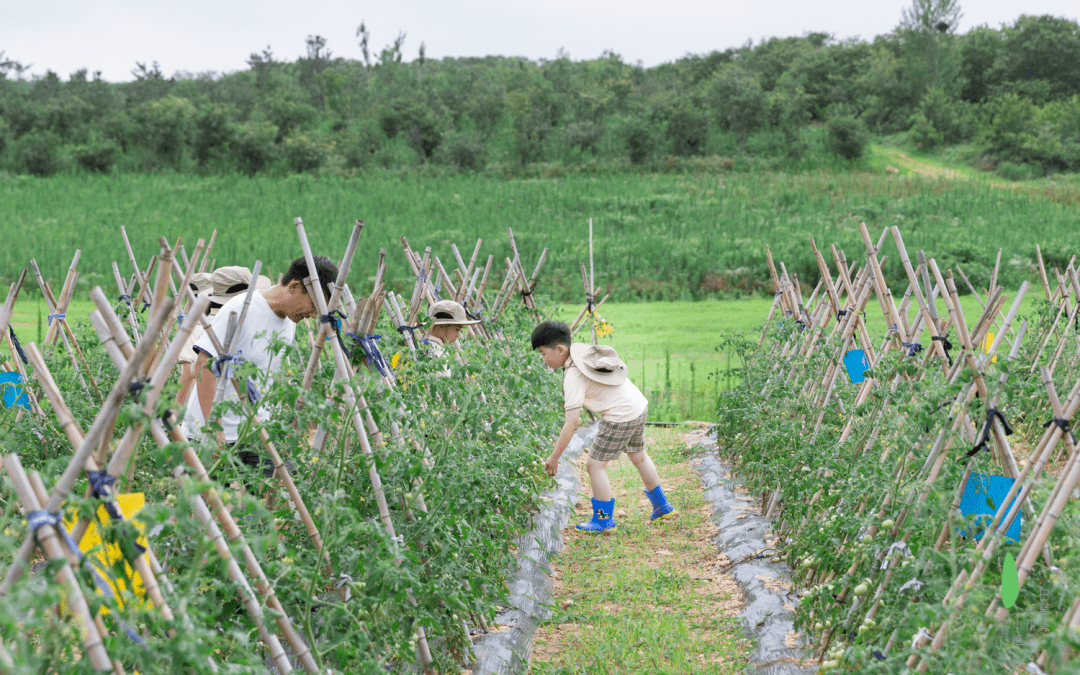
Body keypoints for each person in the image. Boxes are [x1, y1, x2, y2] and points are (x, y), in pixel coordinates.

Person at [181, 256, 337, 484]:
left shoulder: (288, 323)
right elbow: (203, 367)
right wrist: (215, 431)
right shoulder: (241, 309)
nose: (313, 315)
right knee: (209, 510)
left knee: (285, 493)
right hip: (213, 432)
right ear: (295, 287)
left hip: (254, 432)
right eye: (314, 306)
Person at [531, 320, 677, 532]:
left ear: (560, 349)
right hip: (637, 405)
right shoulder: (582, 355)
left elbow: (571, 423)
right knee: (639, 456)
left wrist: (554, 458)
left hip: (620, 415)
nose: (543, 359)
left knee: (594, 465)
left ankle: (603, 519)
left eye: (543, 353)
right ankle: (662, 506)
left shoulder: (573, 375)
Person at [176, 268, 271, 407]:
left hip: (213, 406)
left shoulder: (201, 327)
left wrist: (177, 411)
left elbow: (191, 373)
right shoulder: (257, 325)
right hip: (244, 405)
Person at [424, 299, 480, 377]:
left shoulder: (425, 345)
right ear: (441, 326)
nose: (458, 335)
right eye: (457, 329)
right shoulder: (438, 353)